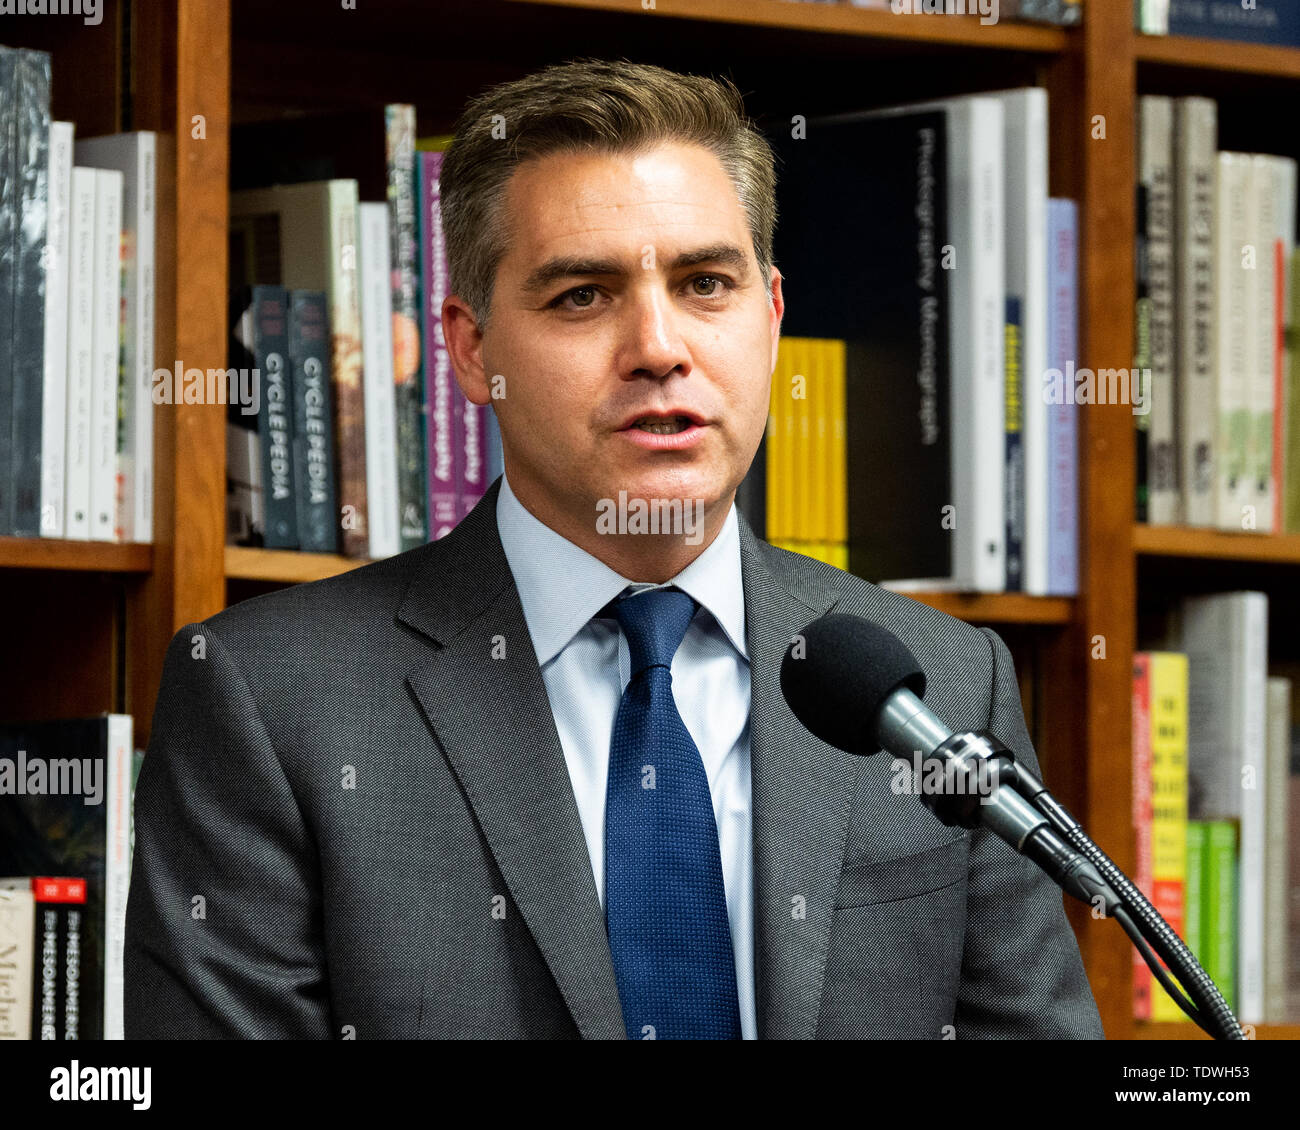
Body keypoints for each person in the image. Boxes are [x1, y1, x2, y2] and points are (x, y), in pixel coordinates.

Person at [125, 58, 1103, 1039]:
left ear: (769, 314)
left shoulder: (936, 683)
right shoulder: (267, 699)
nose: (658, 344)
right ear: (470, 349)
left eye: (704, 282)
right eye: (583, 295)